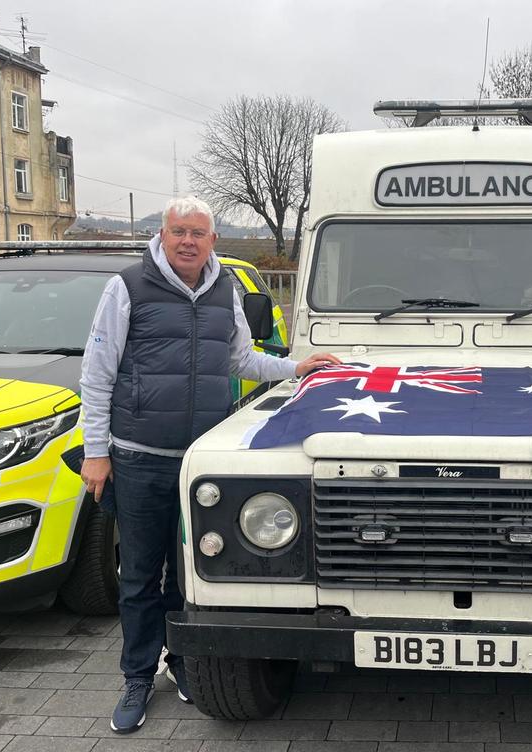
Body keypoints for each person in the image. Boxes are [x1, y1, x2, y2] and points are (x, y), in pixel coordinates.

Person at [79, 196, 340, 734]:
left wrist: (297, 367)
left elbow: (241, 359)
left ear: (212, 241)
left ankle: (182, 662)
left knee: (190, 575)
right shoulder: (127, 287)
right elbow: (97, 375)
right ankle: (136, 675)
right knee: (140, 576)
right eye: (179, 231)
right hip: (141, 458)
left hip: (201, 465)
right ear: (163, 233)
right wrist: (97, 452)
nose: (188, 241)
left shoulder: (226, 290)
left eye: (198, 233)